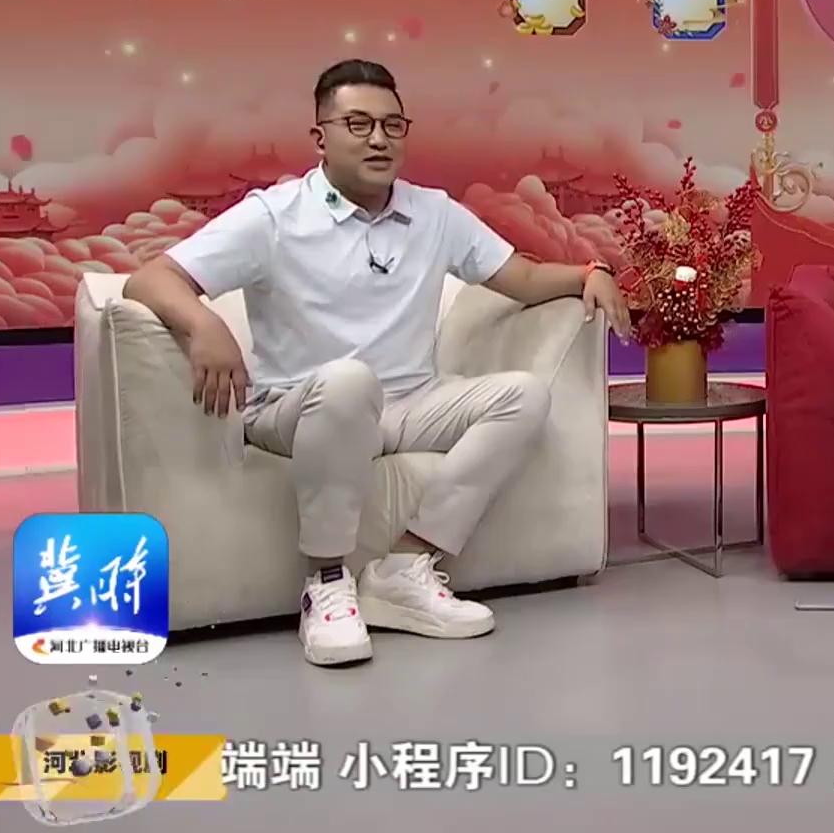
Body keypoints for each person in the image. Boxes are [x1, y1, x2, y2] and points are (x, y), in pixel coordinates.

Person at [124, 59, 631, 666]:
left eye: (392, 125)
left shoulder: (434, 213)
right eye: (358, 124)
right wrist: (203, 323)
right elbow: (151, 279)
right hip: (298, 407)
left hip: (411, 403)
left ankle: (405, 567)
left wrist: (589, 272)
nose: (378, 139)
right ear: (320, 137)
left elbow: (518, 277)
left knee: (524, 395)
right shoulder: (274, 216)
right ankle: (326, 583)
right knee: (348, 381)